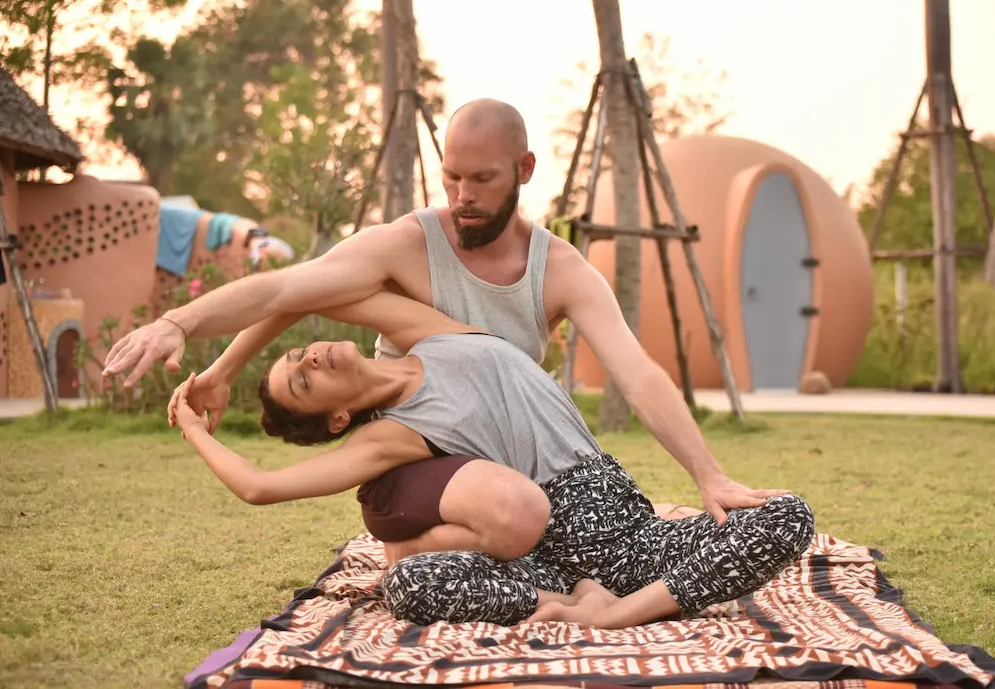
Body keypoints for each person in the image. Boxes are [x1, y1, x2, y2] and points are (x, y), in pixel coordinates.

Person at [105, 97, 782, 536]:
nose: (461, 196)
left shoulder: (562, 270)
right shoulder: (406, 244)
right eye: (450, 176)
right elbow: (292, 289)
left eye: (481, 179)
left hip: (507, 459)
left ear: (523, 169)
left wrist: (708, 473)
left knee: (547, 523)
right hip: (419, 456)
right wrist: (191, 336)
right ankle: (415, 554)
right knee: (519, 520)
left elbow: (636, 373)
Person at [170, 289, 816, 629]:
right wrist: (193, 426)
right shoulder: (386, 436)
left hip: (628, 533)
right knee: (412, 585)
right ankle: (603, 607)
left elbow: (304, 292)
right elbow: (259, 487)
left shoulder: (431, 335)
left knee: (788, 515)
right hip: (548, 552)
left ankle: (617, 607)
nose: (309, 360)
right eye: (304, 383)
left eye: (297, 359)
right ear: (337, 419)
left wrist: (225, 368)